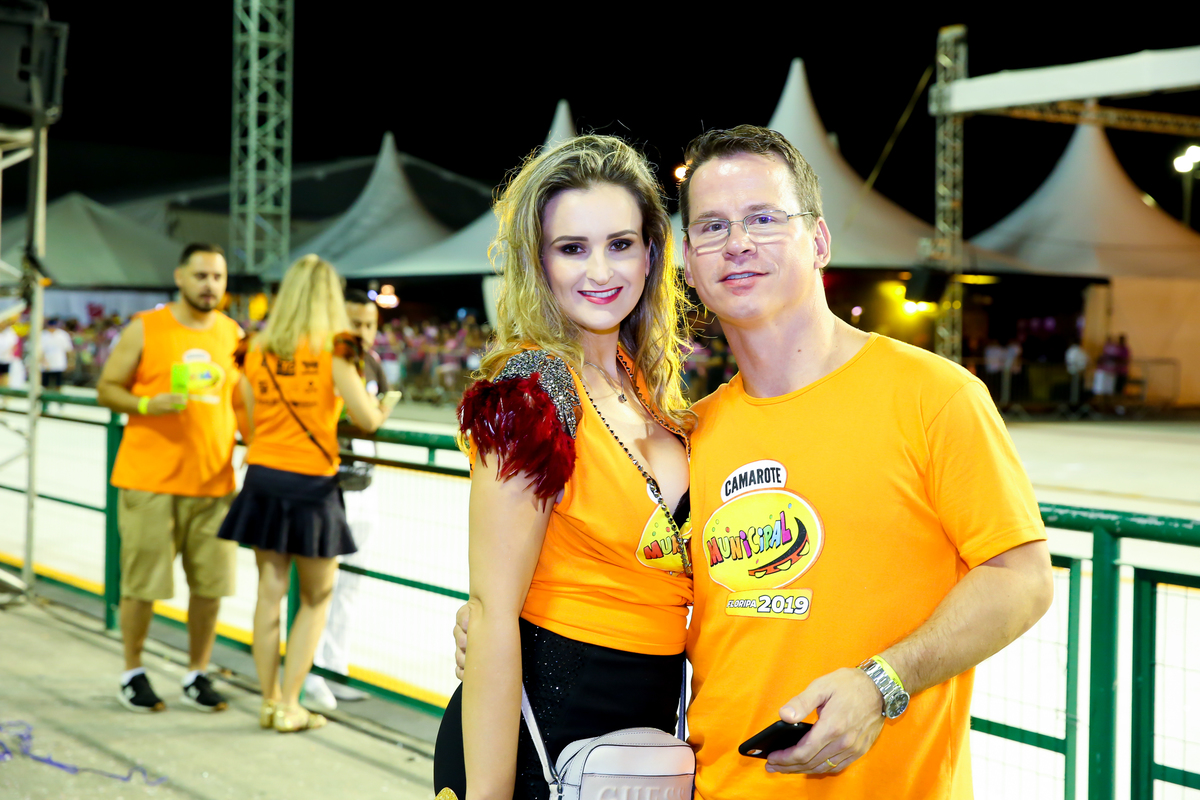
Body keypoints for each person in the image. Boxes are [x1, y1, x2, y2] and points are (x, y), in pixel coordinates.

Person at [457, 126, 1053, 799]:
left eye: (764, 218)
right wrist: (505, 625)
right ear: (686, 261)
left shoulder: (932, 395)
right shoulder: (696, 429)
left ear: (819, 241)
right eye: (712, 226)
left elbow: (1023, 578)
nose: (737, 242)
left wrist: (883, 682)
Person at [433, 135, 694, 800]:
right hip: (542, 730)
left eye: (620, 243)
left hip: (646, 728)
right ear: (538, 260)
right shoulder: (531, 392)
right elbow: (492, 611)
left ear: (651, 252)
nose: (600, 270)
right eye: (572, 248)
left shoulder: (646, 386)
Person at [217, 255, 397, 733]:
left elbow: (249, 415)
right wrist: (385, 406)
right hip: (312, 482)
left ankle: (268, 700)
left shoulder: (256, 348)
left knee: (269, 592)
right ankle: (291, 704)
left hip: (263, 476)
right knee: (317, 596)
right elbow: (367, 419)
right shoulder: (335, 350)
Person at [99, 243, 243, 714]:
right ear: (180, 277)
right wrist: (145, 404)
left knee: (211, 587)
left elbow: (241, 403)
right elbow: (107, 388)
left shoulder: (232, 334)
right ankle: (132, 671)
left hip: (213, 484)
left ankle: (197, 672)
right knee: (142, 585)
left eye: (217, 277)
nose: (210, 285)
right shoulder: (146, 327)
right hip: (150, 482)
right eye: (201, 276)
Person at [303, 286, 389, 709]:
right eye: (354, 323)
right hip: (328, 489)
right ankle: (310, 672)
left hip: (363, 488)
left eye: (369, 324)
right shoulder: (327, 361)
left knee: (350, 584)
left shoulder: (370, 364)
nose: (363, 332)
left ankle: (334, 668)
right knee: (320, 588)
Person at [40, 317, 75, 400]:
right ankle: (46, 401)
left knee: (58, 383)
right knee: (45, 384)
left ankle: (59, 400)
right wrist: (43, 361)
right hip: (46, 363)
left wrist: (71, 361)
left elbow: (69, 349)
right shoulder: (43, 335)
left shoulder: (62, 335)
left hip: (59, 362)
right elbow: (40, 350)